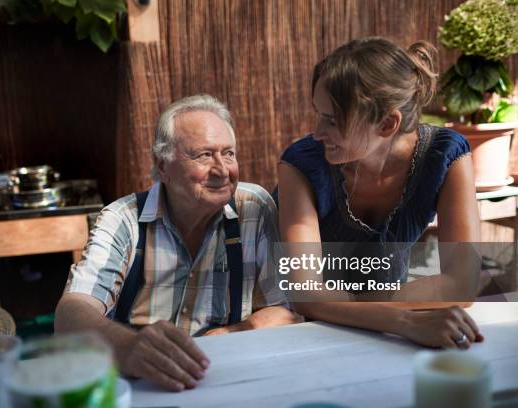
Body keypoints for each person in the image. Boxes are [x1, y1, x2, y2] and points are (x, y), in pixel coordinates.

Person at [55, 94, 297, 392]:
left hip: (221, 380)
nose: (223, 170)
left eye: (229, 153)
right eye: (204, 155)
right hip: (138, 385)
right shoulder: (124, 220)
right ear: (164, 166)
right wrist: (129, 347)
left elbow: (286, 310)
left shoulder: (254, 208)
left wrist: (225, 336)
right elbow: (70, 316)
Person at [277, 37, 484, 350]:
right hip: (304, 330)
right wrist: (405, 320)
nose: (317, 131)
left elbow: (462, 283)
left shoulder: (446, 156)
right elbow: (306, 293)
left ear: (388, 123)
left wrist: (360, 305)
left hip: (378, 335)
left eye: (332, 120)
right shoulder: (301, 165)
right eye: (318, 114)